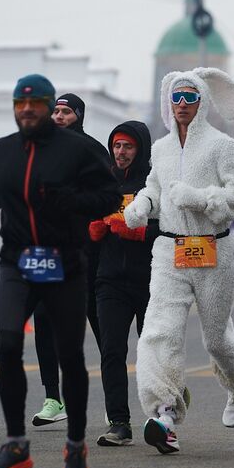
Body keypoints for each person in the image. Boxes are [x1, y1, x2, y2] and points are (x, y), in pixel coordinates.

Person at [0, 73, 118, 468]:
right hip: (16, 261)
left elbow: (109, 195)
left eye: (37, 105)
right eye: (22, 105)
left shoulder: (79, 150)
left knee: (70, 354)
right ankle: (17, 445)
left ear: (50, 107)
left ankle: (75, 447)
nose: (29, 111)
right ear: (15, 108)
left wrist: (72, 202)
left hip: (65, 262)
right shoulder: (1, 152)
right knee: (7, 344)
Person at [123, 67, 234, 454]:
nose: (182, 104)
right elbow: (155, 189)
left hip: (213, 249)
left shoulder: (222, 146)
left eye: (190, 97)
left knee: (216, 339)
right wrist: (141, 205)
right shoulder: (161, 149)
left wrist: (200, 199)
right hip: (169, 250)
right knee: (159, 331)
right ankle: (164, 412)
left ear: (202, 103)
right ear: (169, 102)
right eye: (177, 97)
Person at [30, 92, 109, 427]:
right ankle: (53, 398)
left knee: (102, 328)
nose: (59, 116)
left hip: (85, 254)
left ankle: (113, 401)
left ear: (78, 116)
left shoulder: (92, 150)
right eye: (56, 111)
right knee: (44, 322)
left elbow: (109, 196)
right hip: (47, 253)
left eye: (66, 111)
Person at [89, 121, 157, 446]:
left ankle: (159, 416)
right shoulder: (103, 184)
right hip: (110, 280)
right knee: (112, 351)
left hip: (150, 281)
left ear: (139, 149)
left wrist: (141, 233)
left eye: (127, 146)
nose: (121, 152)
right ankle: (119, 422)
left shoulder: (154, 184)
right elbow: (86, 221)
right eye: (116, 146)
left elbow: (172, 230)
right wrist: (93, 232)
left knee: (151, 352)